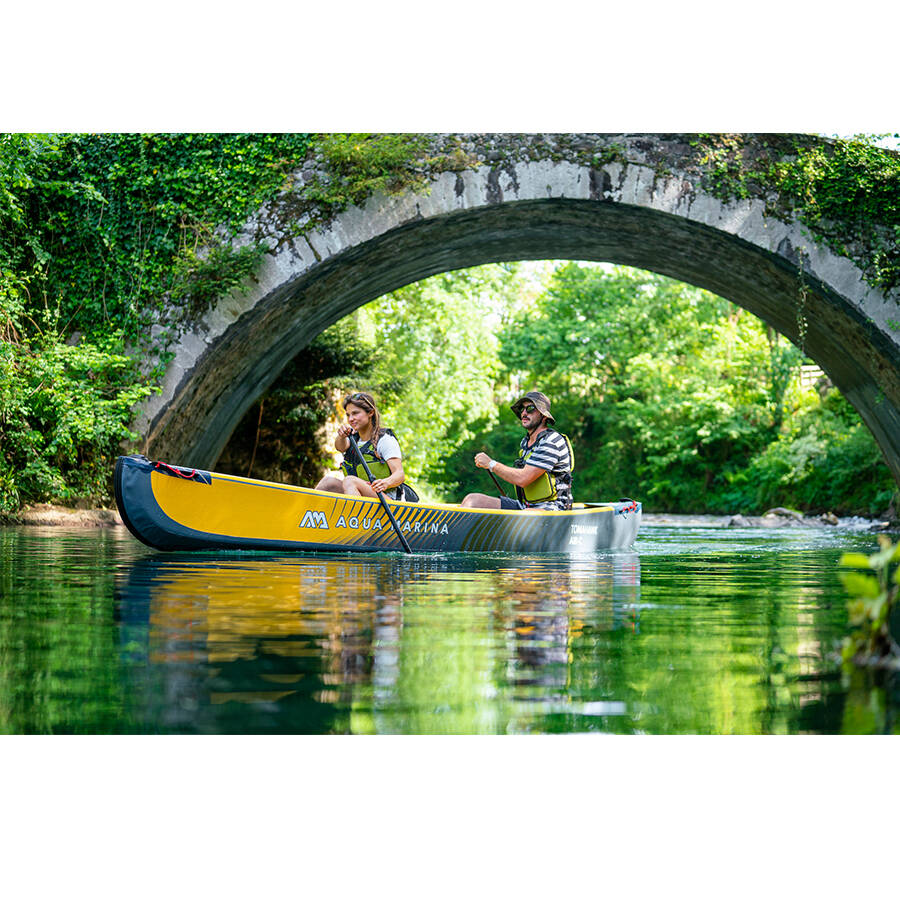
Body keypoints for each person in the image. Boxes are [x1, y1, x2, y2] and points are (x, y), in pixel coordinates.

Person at [461, 390, 574, 510]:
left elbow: (523, 479)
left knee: (525, 515)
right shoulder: (525, 442)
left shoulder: (551, 441)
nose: (524, 413)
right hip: (526, 506)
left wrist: (491, 464)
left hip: (555, 508)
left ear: (544, 415)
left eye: (530, 409)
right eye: (522, 409)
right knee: (472, 501)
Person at [315, 392, 408, 501]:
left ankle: (354, 516)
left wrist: (386, 483)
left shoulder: (385, 440)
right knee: (328, 482)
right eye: (348, 415)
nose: (351, 419)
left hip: (388, 502)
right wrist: (341, 436)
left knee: (350, 481)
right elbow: (340, 446)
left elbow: (400, 475)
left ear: (370, 413)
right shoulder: (353, 439)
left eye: (355, 413)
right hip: (362, 496)